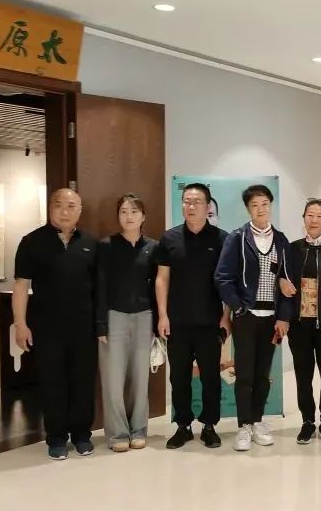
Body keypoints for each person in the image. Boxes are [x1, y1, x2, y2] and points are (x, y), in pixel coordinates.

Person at [12, 188, 99, 460]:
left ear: (80, 211)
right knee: (52, 382)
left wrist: (101, 325)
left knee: (83, 381)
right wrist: (20, 324)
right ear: (50, 208)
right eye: (59, 205)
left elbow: (100, 288)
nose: (65, 211)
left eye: (71, 206)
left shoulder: (91, 243)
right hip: (47, 326)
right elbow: (21, 285)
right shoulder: (31, 242)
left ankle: (82, 435)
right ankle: (56, 437)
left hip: (84, 327)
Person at [215, 184, 296, 452]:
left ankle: (258, 420)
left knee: (263, 374)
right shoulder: (237, 238)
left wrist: (284, 317)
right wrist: (238, 308)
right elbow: (223, 277)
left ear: (271, 206)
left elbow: (288, 282)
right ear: (248, 209)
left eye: (264, 204)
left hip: (271, 319)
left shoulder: (281, 241)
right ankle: (244, 426)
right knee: (245, 374)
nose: (260, 210)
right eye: (254, 205)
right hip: (246, 317)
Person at [156, 183, 231, 450]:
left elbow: (228, 281)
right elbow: (162, 279)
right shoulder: (169, 238)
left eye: (196, 202)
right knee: (179, 377)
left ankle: (209, 425)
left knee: (211, 377)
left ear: (207, 206)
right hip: (177, 322)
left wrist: (226, 315)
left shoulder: (222, 239)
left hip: (210, 322)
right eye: (186, 201)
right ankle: (183, 426)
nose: (190, 206)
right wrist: (162, 315)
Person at [96, 194, 158, 452]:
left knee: (141, 378)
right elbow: (100, 285)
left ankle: (138, 429)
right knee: (113, 379)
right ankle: (117, 434)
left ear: (143, 216)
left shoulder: (153, 247)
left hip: (144, 317)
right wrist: (101, 324)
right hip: (115, 316)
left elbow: (158, 287)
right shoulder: (106, 246)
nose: (129, 216)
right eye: (123, 211)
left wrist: (158, 322)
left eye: (134, 211)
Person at [288, 198, 321, 445]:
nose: (314, 220)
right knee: (303, 374)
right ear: (303, 218)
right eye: (310, 215)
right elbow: (282, 281)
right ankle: (308, 422)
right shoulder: (293, 249)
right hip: (299, 324)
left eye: (320, 216)